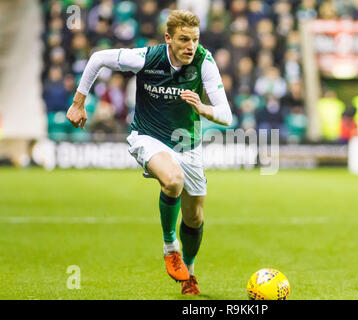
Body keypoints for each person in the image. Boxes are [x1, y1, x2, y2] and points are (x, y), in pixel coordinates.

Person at [66, 10, 233, 295]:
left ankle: (189, 272)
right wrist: (79, 102)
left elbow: (226, 116)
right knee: (173, 181)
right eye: (183, 39)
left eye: (194, 39)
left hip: (186, 144)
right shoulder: (146, 58)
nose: (190, 46)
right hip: (147, 136)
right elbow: (97, 59)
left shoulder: (204, 61)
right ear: (168, 38)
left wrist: (205, 109)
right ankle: (170, 247)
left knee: (195, 218)